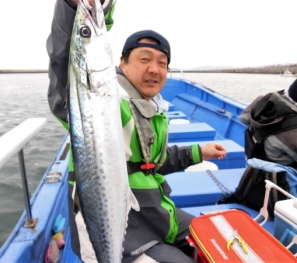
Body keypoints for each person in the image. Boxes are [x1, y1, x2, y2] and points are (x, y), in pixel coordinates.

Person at [46, 1, 227, 262]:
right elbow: (67, 69)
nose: (154, 69)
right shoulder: (107, 98)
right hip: (122, 231)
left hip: (158, 215)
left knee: (221, 238)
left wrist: (199, 152)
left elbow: (152, 163)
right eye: (144, 59)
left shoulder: (153, 109)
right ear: (120, 62)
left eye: (162, 63)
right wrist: (74, 10)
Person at [239, 79, 297, 169]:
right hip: (281, 179)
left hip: (253, 165)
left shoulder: (263, 101)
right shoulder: (294, 132)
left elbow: (242, 119)